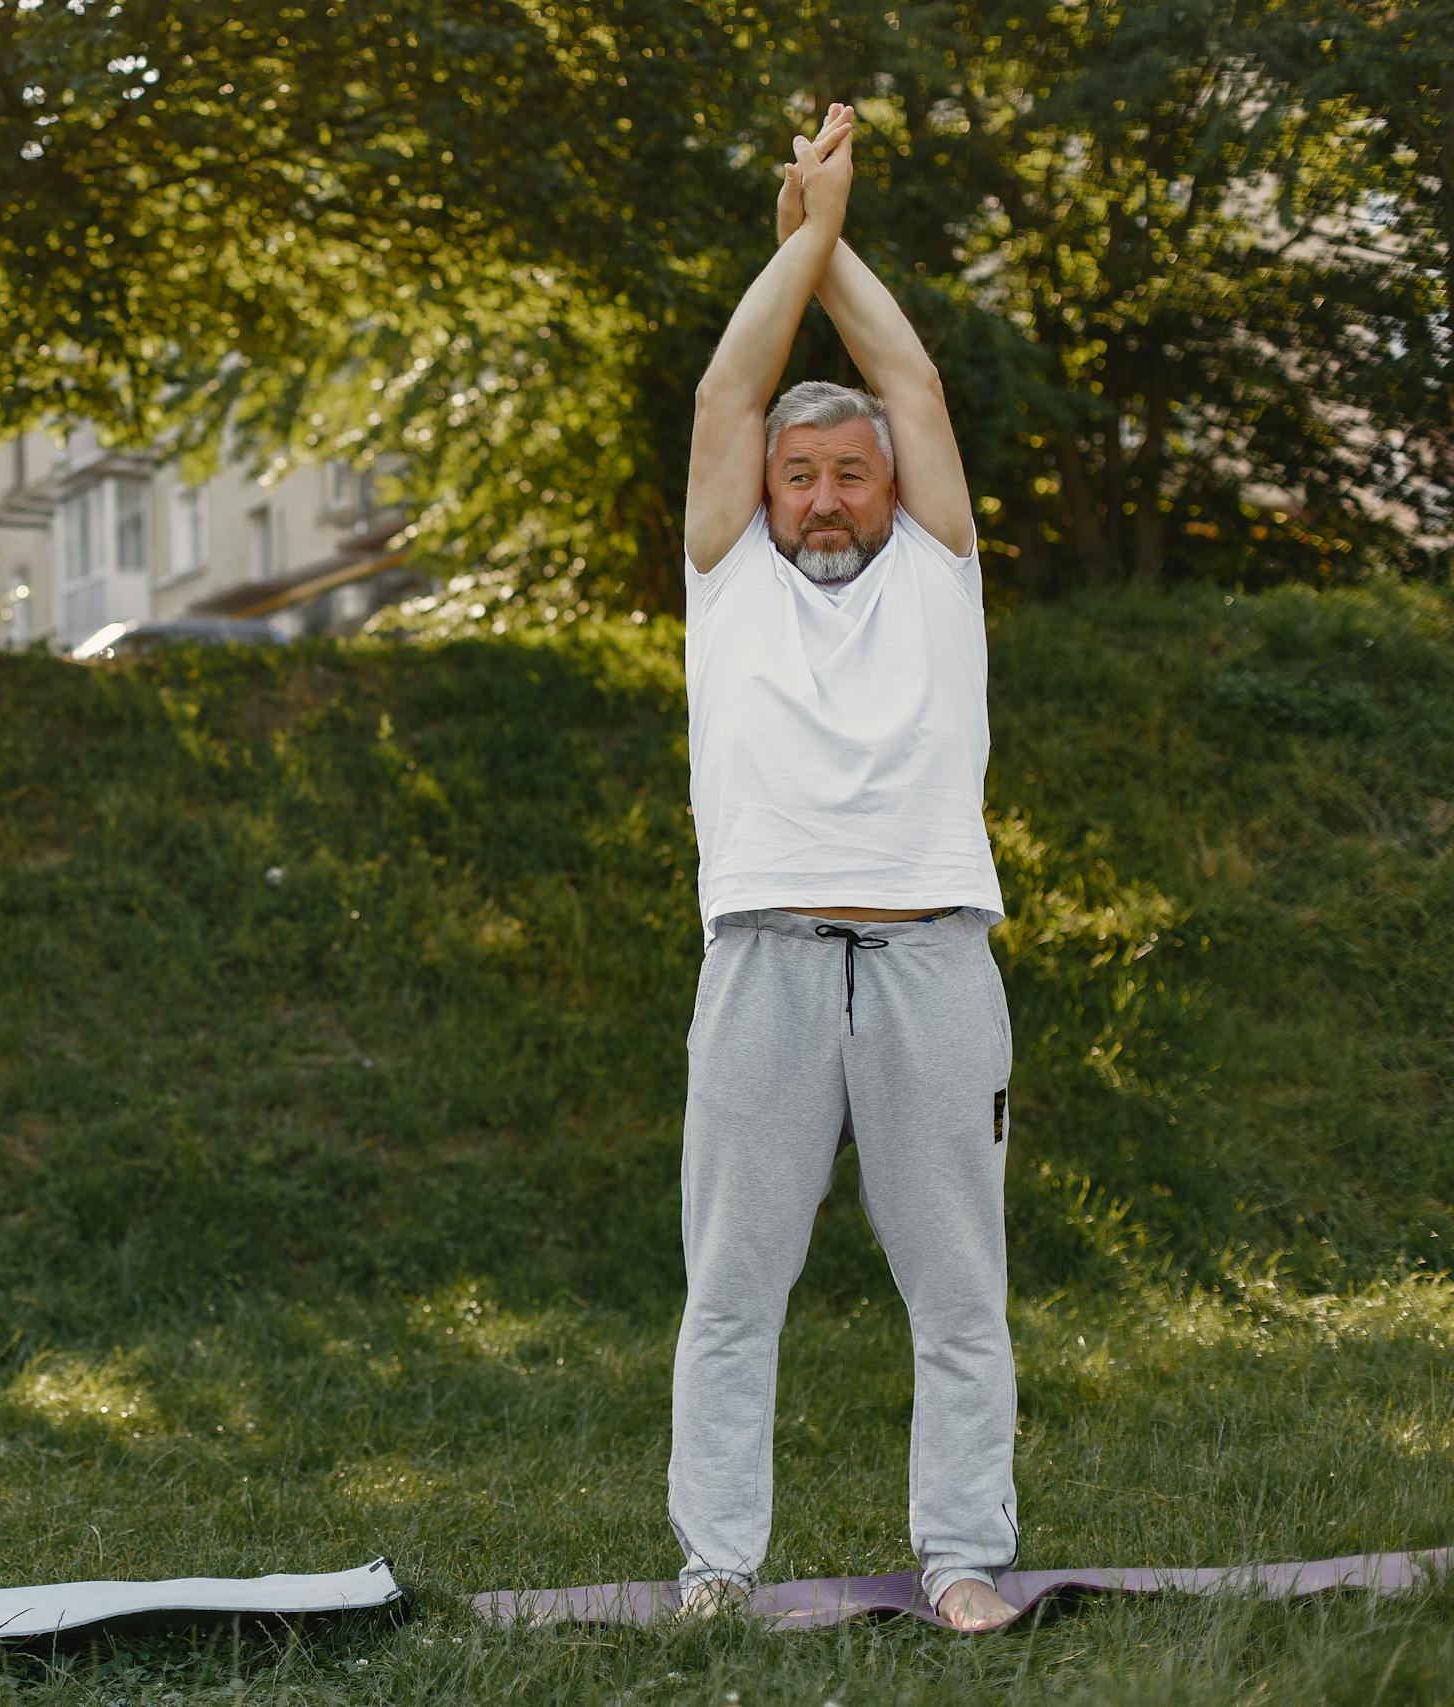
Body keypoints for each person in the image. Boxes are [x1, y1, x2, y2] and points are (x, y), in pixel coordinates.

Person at [671, 105, 1019, 1631]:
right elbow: (727, 385)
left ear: (890, 489)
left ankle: (961, 1560)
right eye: (795, 474)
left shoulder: (941, 572)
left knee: (958, 1299)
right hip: (765, 961)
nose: (820, 495)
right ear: (765, 491)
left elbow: (914, 384)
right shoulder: (728, 576)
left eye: (847, 474)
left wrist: (829, 226)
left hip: (937, 957)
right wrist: (804, 233)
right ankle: (715, 1572)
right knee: (734, 1293)